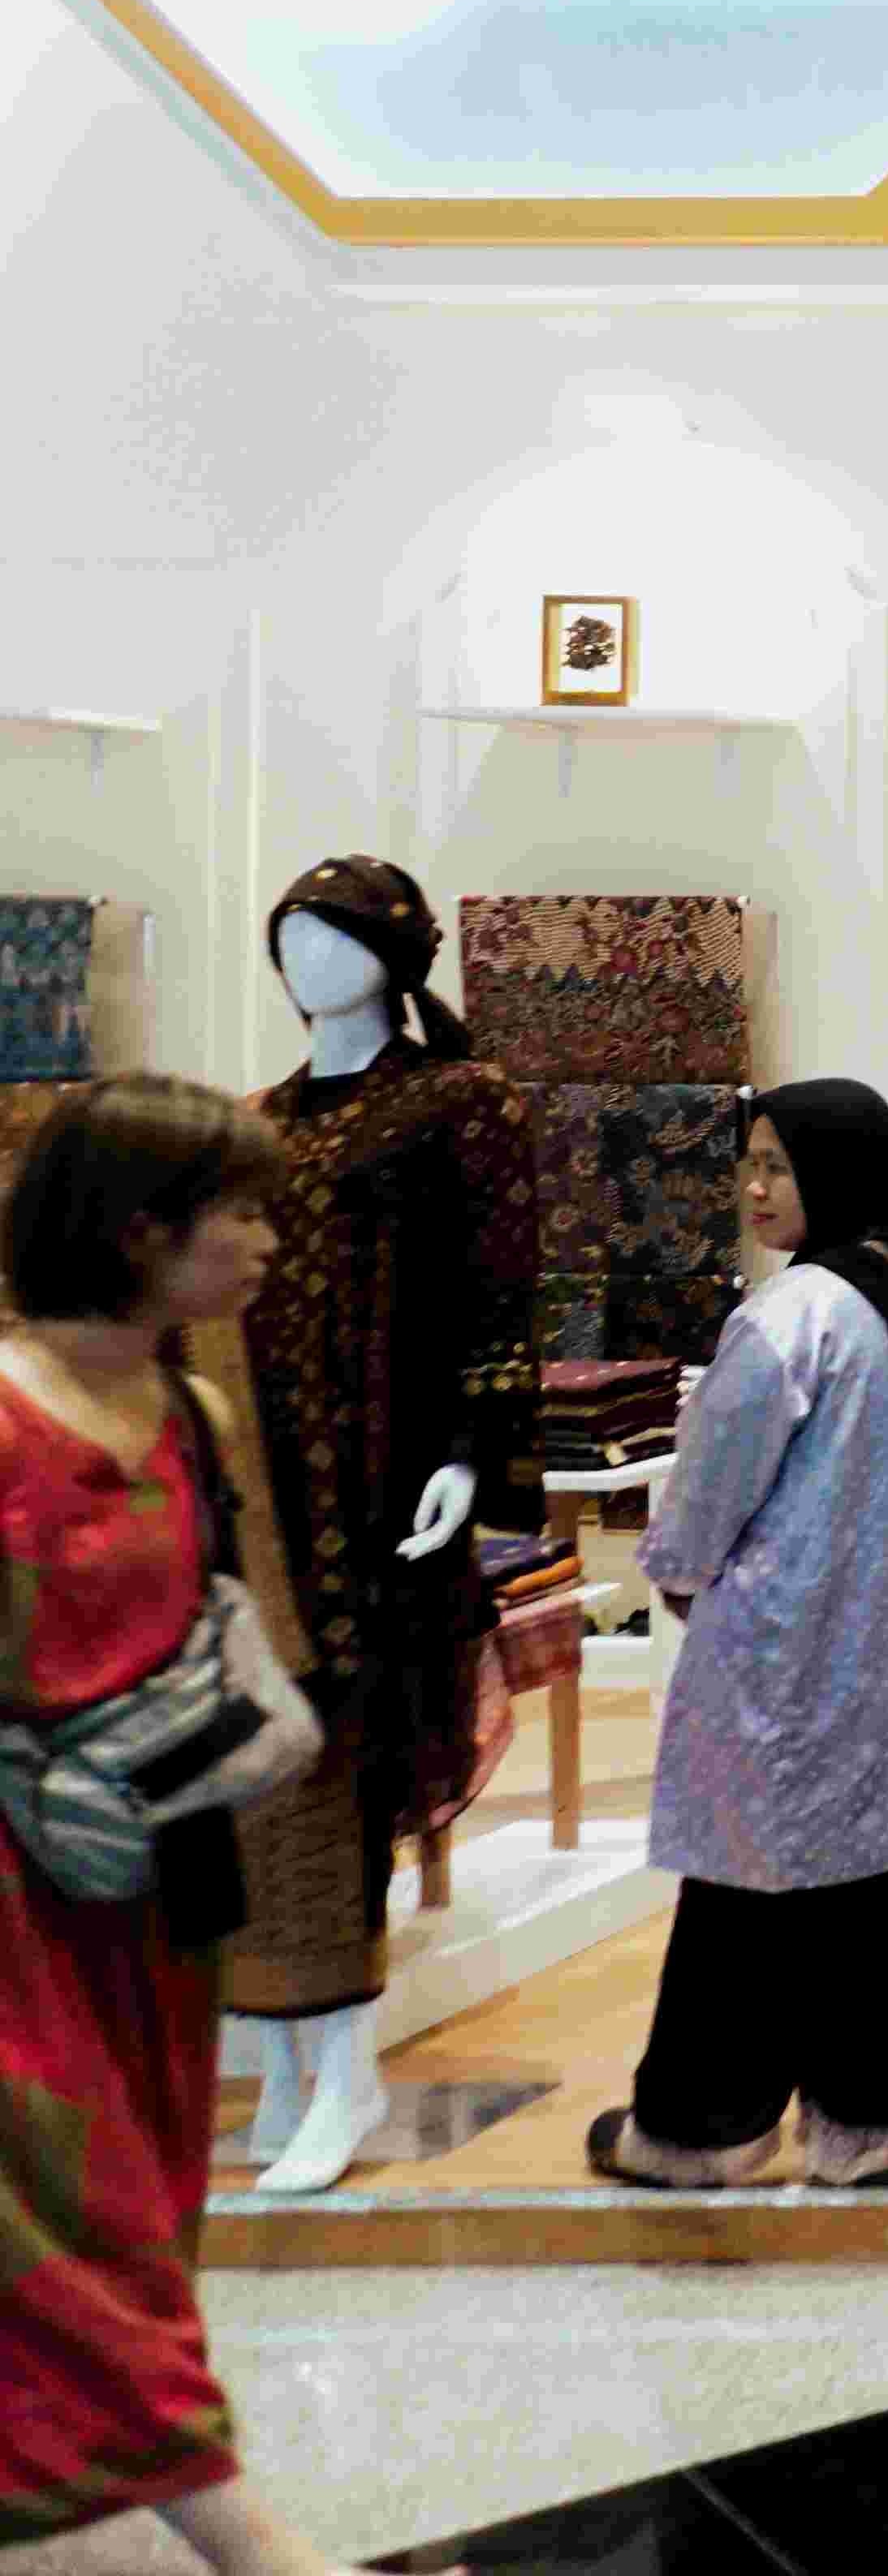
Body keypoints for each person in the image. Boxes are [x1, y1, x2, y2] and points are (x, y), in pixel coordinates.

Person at [0, 1076, 390, 2575]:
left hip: (147, 1885)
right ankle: (258, 2551)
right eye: (240, 1214)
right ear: (139, 1229)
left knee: (144, 2211)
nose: (269, 1244)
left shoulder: (195, 1412)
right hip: (13, 1898)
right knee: (77, 2229)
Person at [587, 1082, 888, 2191]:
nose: (756, 1188)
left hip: (787, 1646)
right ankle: (861, 2128)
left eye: (779, 1165)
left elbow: (714, 1481)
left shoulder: (794, 1315)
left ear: (836, 1173)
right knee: (864, 1889)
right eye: (751, 1164)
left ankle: (697, 2132)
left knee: (741, 1891)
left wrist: (677, 1571)